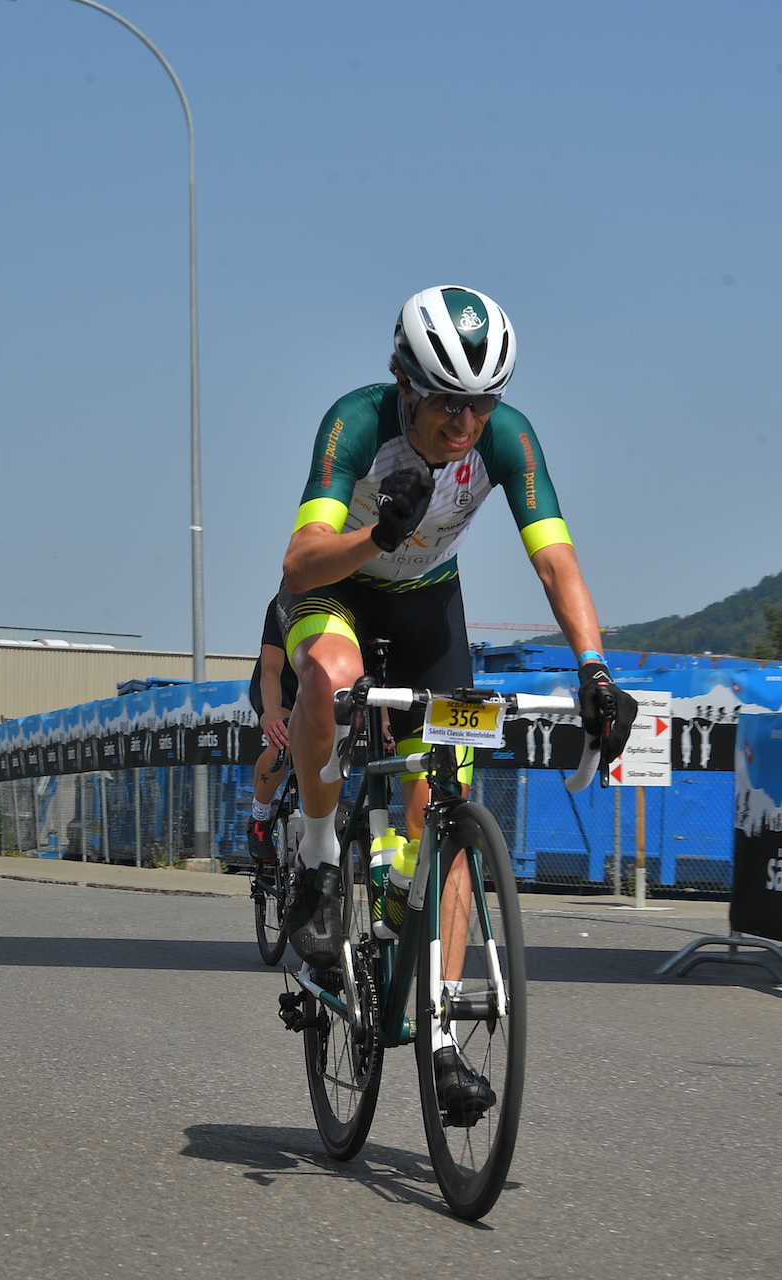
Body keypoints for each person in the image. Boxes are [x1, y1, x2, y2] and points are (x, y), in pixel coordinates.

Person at [277, 284, 635, 1117]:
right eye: (446, 403)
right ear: (403, 380)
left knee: (447, 806)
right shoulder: (355, 423)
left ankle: (437, 1039)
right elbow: (297, 567)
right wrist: (378, 535)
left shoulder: (507, 440)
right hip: (340, 593)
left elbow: (556, 562)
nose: (464, 424)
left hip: (429, 606)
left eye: (481, 404)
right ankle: (324, 865)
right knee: (330, 676)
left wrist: (596, 671)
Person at [246, 603, 297, 864]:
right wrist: (273, 712)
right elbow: (271, 669)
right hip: (278, 684)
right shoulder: (283, 602)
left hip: (317, 686)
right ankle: (259, 817)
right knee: (283, 739)